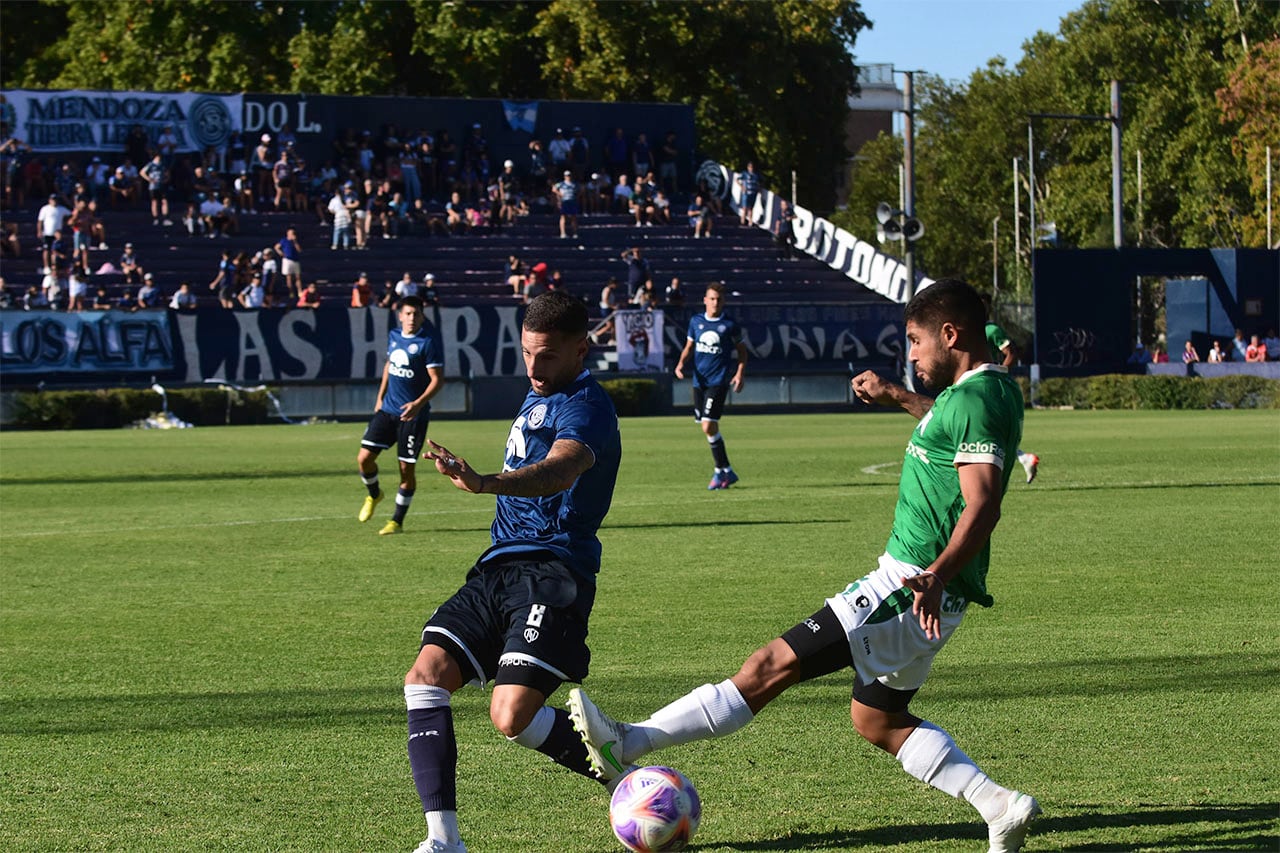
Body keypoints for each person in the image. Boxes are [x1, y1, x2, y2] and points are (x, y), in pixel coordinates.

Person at [569, 278, 1041, 853]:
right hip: (925, 590)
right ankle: (999, 805)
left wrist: (937, 573)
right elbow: (945, 427)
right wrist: (897, 394)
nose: (912, 354)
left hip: (909, 584)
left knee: (768, 666)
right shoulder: (984, 393)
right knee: (879, 721)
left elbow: (984, 503)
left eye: (916, 341)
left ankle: (628, 741)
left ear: (950, 334)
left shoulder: (972, 398)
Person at [400, 291, 621, 853]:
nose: (534, 368)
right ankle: (443, 841)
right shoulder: (538, 392)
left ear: (580, 349)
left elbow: (559, 470)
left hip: (554, 570)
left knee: (512, 715)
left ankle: (621, 768)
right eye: (527, 354)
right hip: (498, 566)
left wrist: (486, 482)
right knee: (424, 679)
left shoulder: (587, 405)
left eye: (546, 356)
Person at [357, 295, 445, 536]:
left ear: (422, 316)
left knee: (406, 470)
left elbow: (437, 381)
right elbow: (389, 365)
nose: (411, 318)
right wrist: (379, 396)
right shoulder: (394, 336)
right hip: (387, 410)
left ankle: (396, 521)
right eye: (407, 313)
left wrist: (417, 404)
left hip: (413, 417)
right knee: (364, 459)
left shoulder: (427, 343)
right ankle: (374, 495)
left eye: (416, 314)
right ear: (400, 315)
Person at [674, 282, 747, 489]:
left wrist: (739, 373)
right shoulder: (696, 322)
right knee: (709, 428)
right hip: (699, 382)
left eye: (719, 299)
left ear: (723, 302)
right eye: (712, 298)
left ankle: (719, 471)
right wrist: (680, 364)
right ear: (705, 300)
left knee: (708, 424)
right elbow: (689, 347)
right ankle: (726, 471)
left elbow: (742, 352)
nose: (715, 302)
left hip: (719, 381)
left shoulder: (729, 325)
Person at [984, 319, 1041, 484]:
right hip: (969, 386)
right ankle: (1023, 458)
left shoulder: (990, 330)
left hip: (985, 386)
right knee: (988, 431)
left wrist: (997, 375)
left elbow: (1011, 353)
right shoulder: (964, 328)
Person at [277, 227, 302, 301]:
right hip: (287, 260)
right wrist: (281, 253)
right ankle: (291, 292)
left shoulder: (295, 241)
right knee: (289, 277)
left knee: (298, 277)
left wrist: (295, 241)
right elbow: (277, 247)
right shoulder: (284, 240)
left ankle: (299, 291)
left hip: (295, 260)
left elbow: (299, 250)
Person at [553, 170, 579, 239]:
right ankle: (563, 233)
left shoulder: (574, 184)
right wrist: (559, 194)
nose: (568, 177)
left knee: (573, 217)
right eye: (567, 176)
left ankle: (575, 233)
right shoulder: (561, 184)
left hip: (572, 201)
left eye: (569, 175)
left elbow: (579, 190)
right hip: (564, 201)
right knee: (563, 217)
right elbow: (554, 189)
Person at [736, 161, 760, 226]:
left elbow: (759, 183)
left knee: (751, 208)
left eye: (752, 167)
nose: (751, 168)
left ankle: (750, 222)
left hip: (753, 193)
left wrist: (758, 189)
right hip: (746, 193)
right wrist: (741, 186)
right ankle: (742, 221)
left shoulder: (756, 175)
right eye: (750, 167)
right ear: (748, 167)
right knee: (744, 208)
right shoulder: (745, 174)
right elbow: (737, 179)